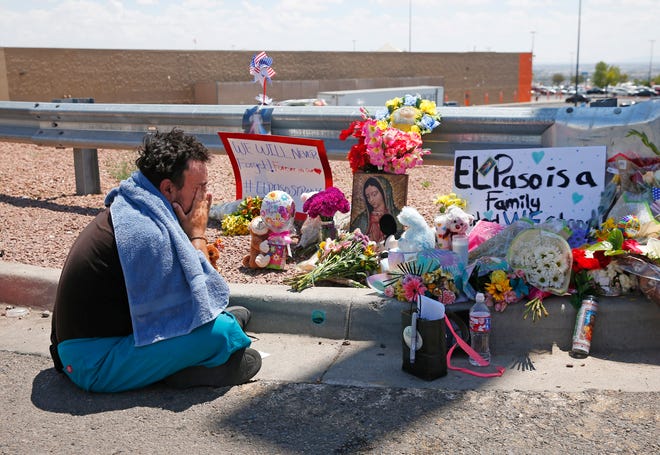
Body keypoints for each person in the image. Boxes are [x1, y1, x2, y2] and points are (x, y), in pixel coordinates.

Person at [49, 128, 261, 393]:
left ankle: (182, 362)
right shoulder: (146, 232)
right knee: (225, 333)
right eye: (200, 188)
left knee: (221, 323)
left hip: (89, 346)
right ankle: (180, 370)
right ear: (168, 188)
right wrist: (197, 235)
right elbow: (201, 295)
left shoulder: (137, 205)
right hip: (95, 364)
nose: (204, 197)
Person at [350, 176, 402, 243]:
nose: (371, 200)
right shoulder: (362, 219)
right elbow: (353, 239)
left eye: (374, 194)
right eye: (368, 197)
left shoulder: (398, 216)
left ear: (384, 193)